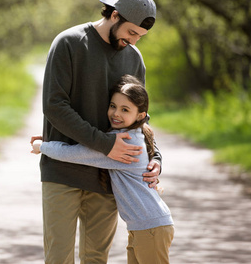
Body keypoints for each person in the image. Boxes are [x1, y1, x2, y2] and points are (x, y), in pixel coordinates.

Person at [33, 0, 162, 263]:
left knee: (96, 258)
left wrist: (155, 158)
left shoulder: (134, 58)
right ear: (114, 15)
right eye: (131, 32)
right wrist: (106, 144)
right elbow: (54, 106)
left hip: (106, 177)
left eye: (140, 36)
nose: (135, 40)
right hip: (62, 172)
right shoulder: (69, 43)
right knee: (58, 257)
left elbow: (138, 119)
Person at [32, 75, 174, 264]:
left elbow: (76, 154)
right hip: (145, 227)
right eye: (113, 106)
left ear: (140, 116)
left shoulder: (125, 144)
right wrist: (51, 136)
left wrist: (43, 147)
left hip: (150, 229)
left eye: (125, 110)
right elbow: (90, 142)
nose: (116, 113)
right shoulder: (130, 134)